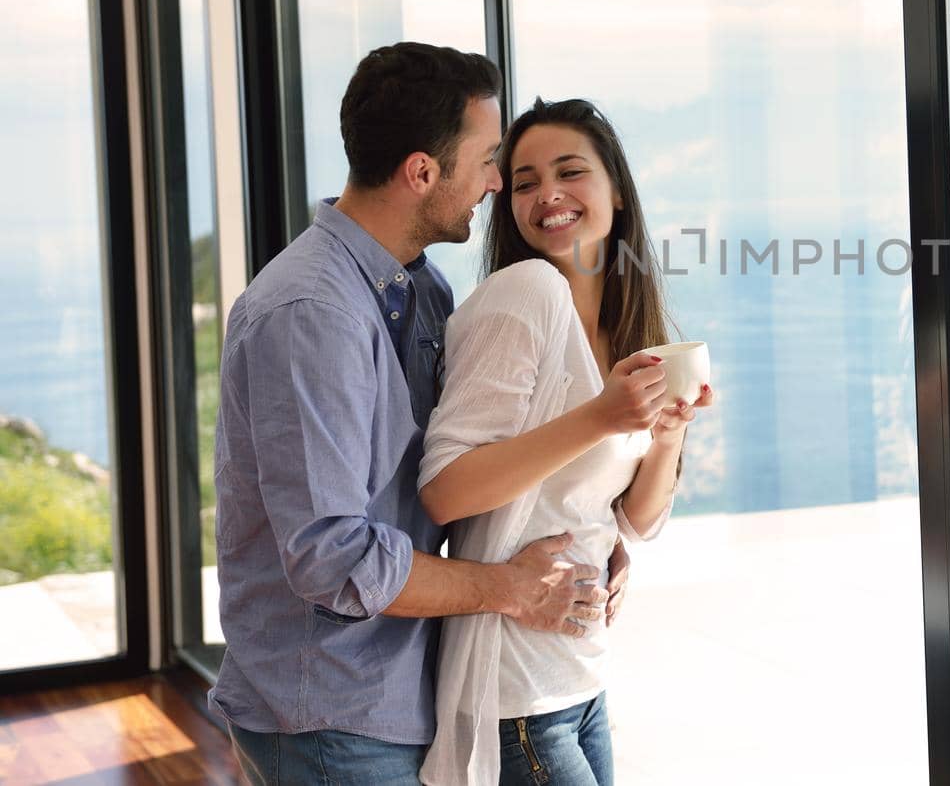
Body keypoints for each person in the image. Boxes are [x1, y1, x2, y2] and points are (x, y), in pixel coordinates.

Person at [210, 44, 619, 785]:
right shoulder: (312, 313)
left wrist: (595, 540)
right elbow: (333, 559)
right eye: (488, 160)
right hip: (331, 713)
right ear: (422, 172)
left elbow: (451, 476)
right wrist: (508, 587)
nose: (495, 184)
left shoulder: (420, 291)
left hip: (403, 691)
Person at [418, 97, 713, 786]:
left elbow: (635, 524)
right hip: (516, 690)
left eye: (570, 172)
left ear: (616, 187)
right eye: (523, 182)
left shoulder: (627, 323)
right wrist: (604, 418)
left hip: (581, 680)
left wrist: (665, 434)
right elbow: (444, 491)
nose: (547, 193)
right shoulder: (524, 294)